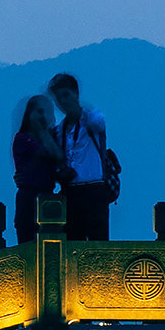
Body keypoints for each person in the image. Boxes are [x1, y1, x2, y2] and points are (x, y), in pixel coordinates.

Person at [46, 71, 122, 242]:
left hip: (94, 190)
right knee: (73, 245)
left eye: (66, 95)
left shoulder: (91, 118)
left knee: (98, 246)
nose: (63, 101)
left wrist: (78, 111)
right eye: (58, 98)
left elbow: (98, 122)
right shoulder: (59, 130)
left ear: (76, 94)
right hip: (70, 193)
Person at [9, 93, 71, 244]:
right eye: (39, 111)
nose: (43, 116)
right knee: (27, 244)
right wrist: (44, 131)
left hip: (48, 197)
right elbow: (49, 153)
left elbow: (60, 158)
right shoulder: (23, 138)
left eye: (46, 112)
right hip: (28, 198)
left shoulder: (50, 137)